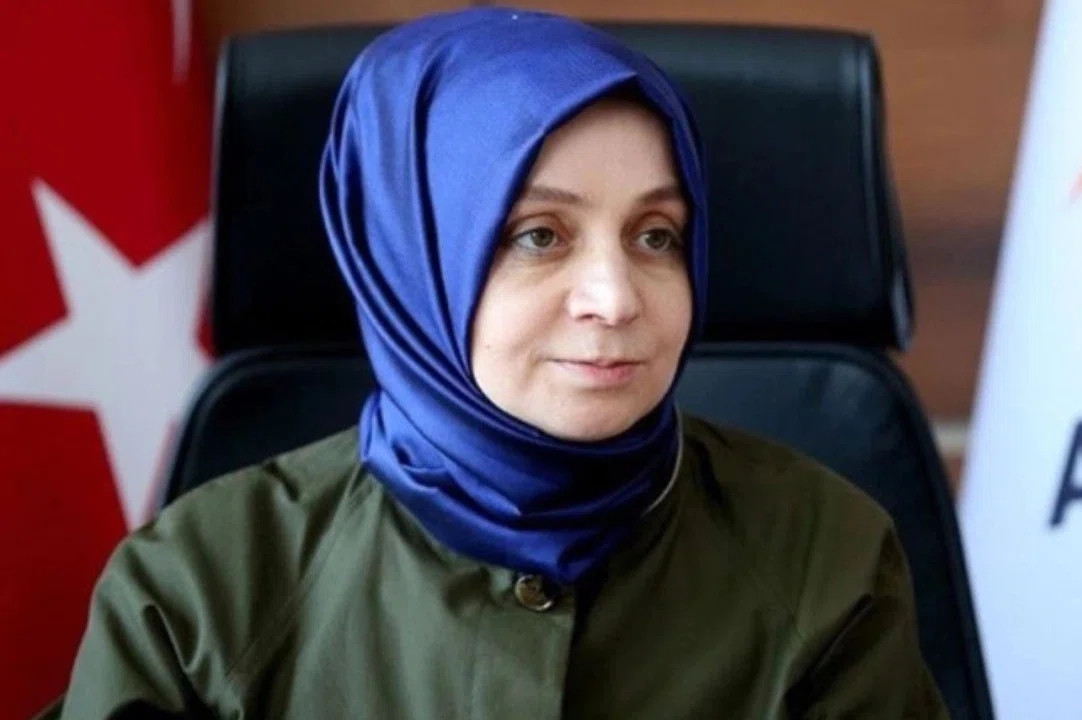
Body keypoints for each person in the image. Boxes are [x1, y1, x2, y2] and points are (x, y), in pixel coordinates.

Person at [51, 7, 947, 718]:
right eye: (538, 235)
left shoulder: (825, 559)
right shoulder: (196, 589)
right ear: (411, 261)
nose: (616, 297)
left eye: (655, 235)